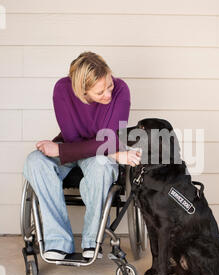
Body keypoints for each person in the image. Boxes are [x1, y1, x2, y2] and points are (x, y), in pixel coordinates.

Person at [23, 51, 141, 260]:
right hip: (77, 146)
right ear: (81, 92)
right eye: (100, 92)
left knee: (101, 167)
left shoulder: (121, 89)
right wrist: (105, 150)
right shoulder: (62, 89)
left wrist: (61, 150)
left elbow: (110, 140)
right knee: (35, 161)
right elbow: (71, 137)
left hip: (98, 154)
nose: (108, 94)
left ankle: (91, 241)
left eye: (109, 85)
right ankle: (58, 241)